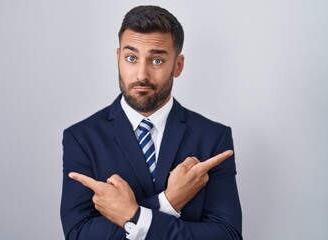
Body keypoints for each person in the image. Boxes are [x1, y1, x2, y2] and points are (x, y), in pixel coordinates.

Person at [61, 5, 242, 240]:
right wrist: (167, 202)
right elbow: (79, 234)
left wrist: (133, 215)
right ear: (118, 59)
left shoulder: (213, 137)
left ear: (178, 65)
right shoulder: (81, 137)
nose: (141, 75)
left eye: (156, 60)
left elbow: (227, 235)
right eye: (131, 58)